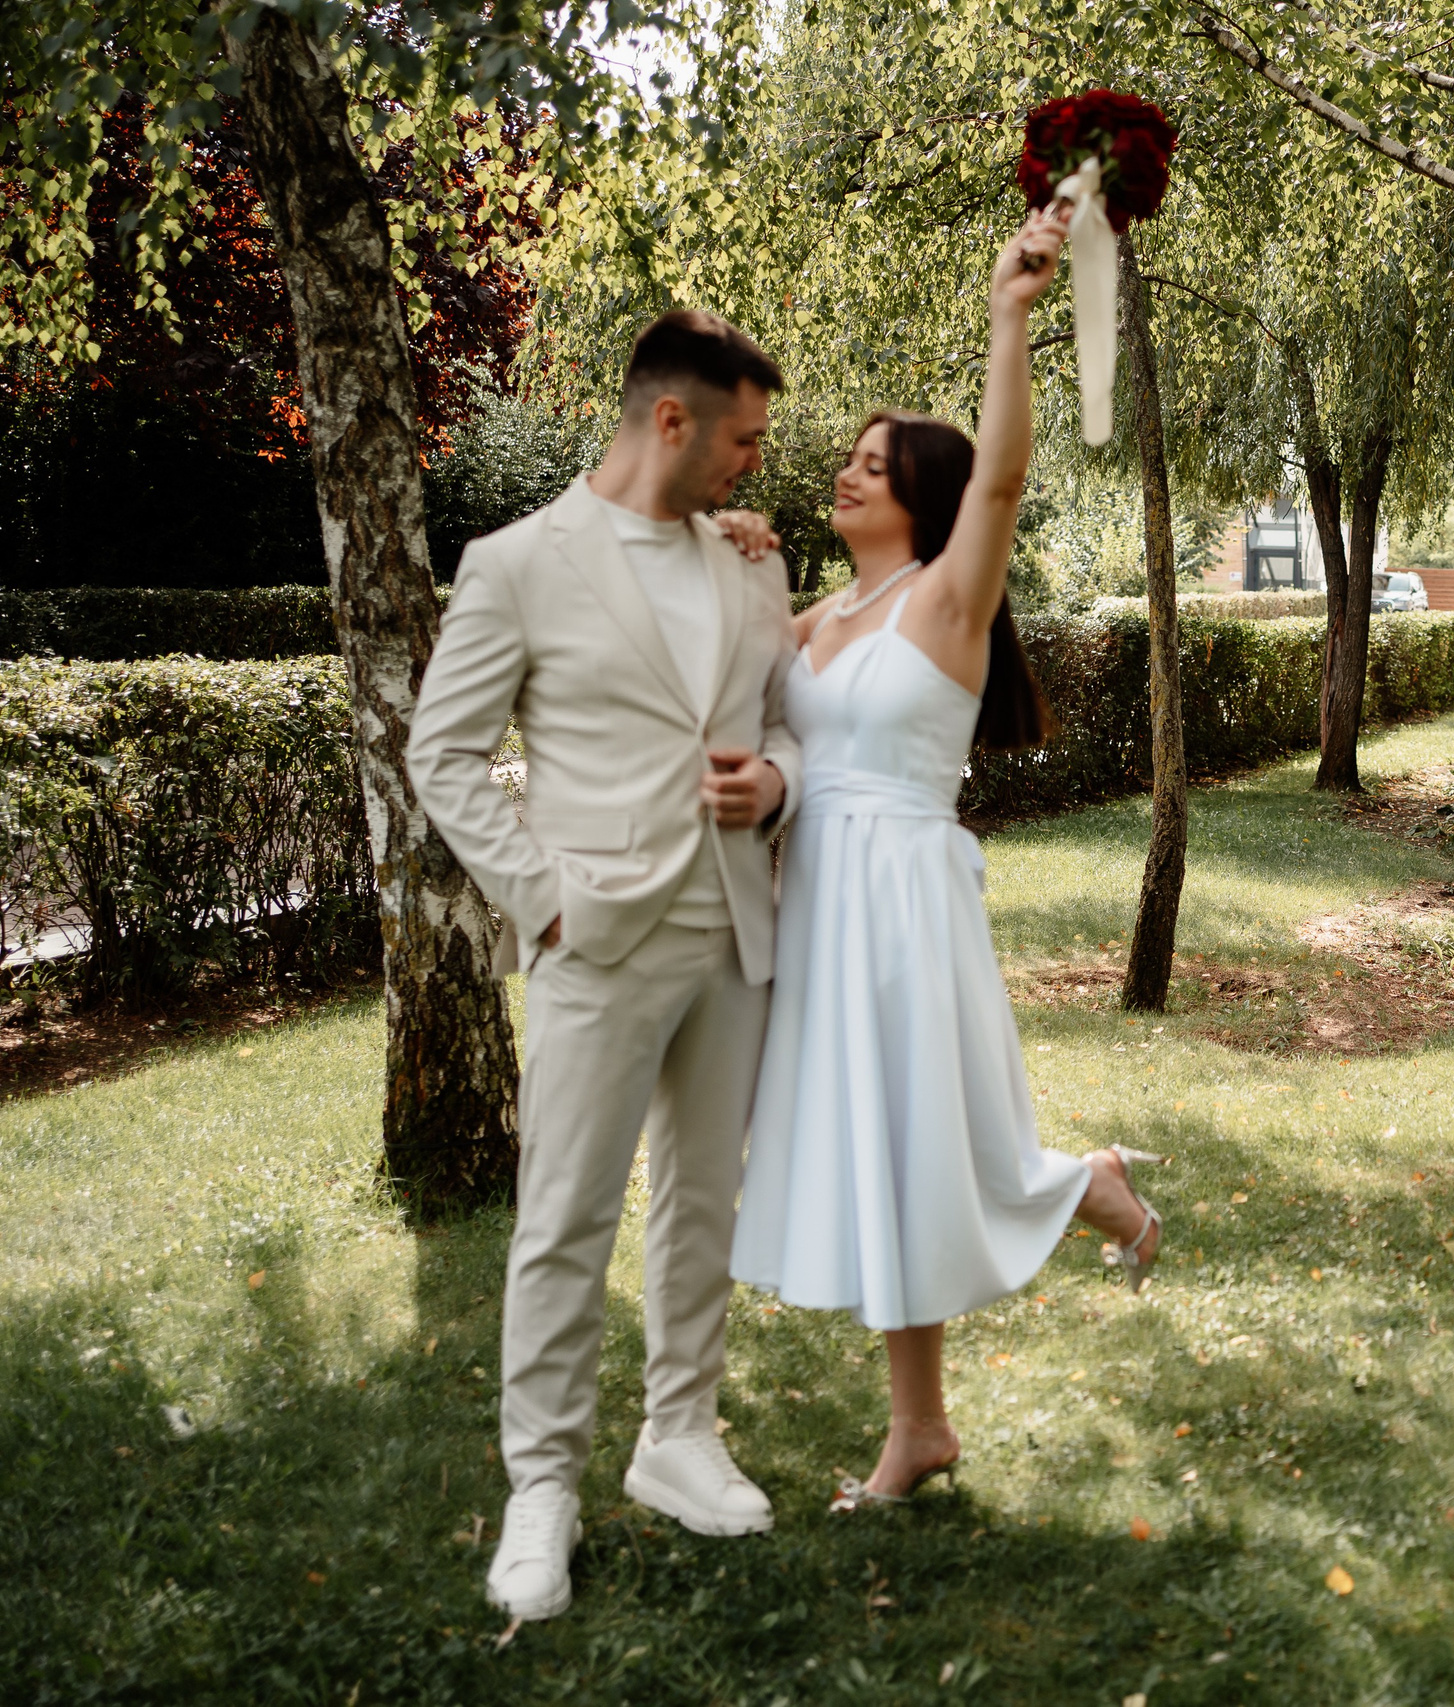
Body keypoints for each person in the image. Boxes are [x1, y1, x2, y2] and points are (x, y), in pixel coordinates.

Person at [721, 203, 1169, 1508]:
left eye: (875, 461)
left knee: (929, 1138)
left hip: (910, 892)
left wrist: (1010, 316)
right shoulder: (812, 618)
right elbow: (735, 680)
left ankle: (1082, 1185)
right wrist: (737, 553)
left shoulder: (947, 597)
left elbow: (1006, 480)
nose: (849, 472)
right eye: (849, 461)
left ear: (920, 490)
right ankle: (920, 1426)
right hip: (821, 902)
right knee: (876, 1148)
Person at [406, 310, 803, 1621]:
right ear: (670, 421)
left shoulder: (752, 565)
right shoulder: (517, 565)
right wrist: (542, 898)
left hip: (734, 931)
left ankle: (677, 1438)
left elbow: (793, 728)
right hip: (597, 937)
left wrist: (781, 785)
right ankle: (543, 1490)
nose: (756, 464)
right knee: (565, 1216)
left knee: (705, 1200)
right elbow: (443, 754)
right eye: (743, 439)